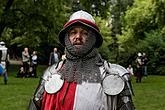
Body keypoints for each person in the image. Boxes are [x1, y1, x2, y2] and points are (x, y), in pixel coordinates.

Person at [28, 10, 135, 110]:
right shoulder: (50, 74)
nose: (78, 36)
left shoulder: (115, 75)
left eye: (84, 33)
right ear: (67, 38)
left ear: (93, 38)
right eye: (73, 32)